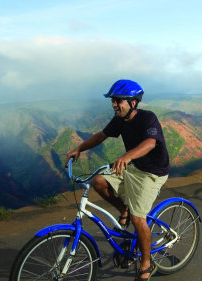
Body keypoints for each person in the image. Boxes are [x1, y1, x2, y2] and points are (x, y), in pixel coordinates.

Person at [65, 79, 170, 281]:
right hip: (132, 167)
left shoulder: (148, 118)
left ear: (132, 103)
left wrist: (127, 156)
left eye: (118, 100)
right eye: (113, 100)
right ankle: (124, 209)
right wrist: (79, 148)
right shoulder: (120, 120)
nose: (114, 104)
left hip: (152, 173)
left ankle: (146, 263)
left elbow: (150, 143)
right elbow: (101, 136)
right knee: (99, 181)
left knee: (139, 219)